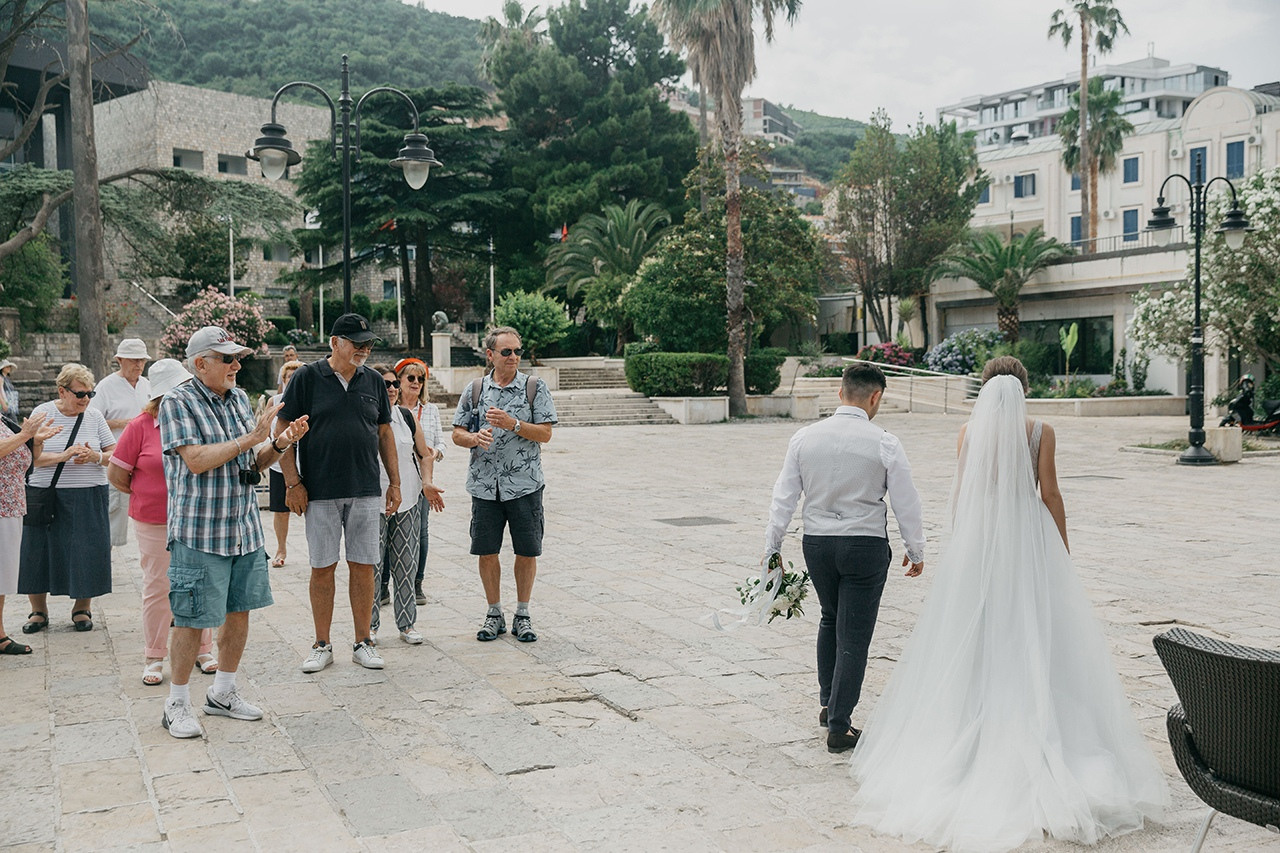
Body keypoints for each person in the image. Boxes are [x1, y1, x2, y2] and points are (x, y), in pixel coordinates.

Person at [849, 357, 1169, 851]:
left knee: (974, 631)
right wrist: (1061, 548)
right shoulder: (1041, 430)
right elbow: (1051, 494)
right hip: (1027, 540)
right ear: (1024, 389)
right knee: (1035, 627)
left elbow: (962, 495)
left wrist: (962, 543)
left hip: (980, 542)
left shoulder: (967, 434)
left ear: (984, 389)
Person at [763, 362, 926, 754]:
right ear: (876, 397)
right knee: (855, 633)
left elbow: (784, 495)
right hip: (864, 545)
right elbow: (907, 502)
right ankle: (840, 725)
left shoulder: (804, 439)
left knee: (830, 618)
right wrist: (915, 548)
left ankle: (827, 703)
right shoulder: (885, 442)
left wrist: (772, 547)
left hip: (817, 542)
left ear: (840, 393)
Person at [157, 326, 309, 739]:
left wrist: (277, 444)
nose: (237, 365)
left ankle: (223, 692)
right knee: (190, 621)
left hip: (243, 529)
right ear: (200, 363)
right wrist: (252, 438)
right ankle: (177, 703)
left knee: (239, 613)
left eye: (238, 357)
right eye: (228, 358)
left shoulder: (239, 399)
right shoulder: (177, 402)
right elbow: (196, 460)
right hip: (200, 532)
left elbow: (251, 465)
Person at [277, 313, 399, 673]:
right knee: (322, 567)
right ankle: (321, 643)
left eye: (368, 344)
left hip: (365, 489)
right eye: (356, 342)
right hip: (320, 491)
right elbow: (283, 430)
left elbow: (384, 433)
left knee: (364, 567)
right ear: (334, 343)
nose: (364, 349)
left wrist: (394, 481)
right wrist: (293, 483)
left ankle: (363, 640)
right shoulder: (306, 378)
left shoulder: (374, 381)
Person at [107, 359, 217, 686]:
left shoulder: (198, 421)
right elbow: (117, 474)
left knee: (200, 581)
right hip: (154, 519)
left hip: (197, 517)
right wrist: (147, 494)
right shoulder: (140, 426)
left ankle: (203, 648)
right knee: (158, 586)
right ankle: (154, 655)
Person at [451, 326, 557, 643]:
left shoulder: (534, 388)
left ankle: (522, 613)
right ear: (490, 355)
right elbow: (457, 433)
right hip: (485, 486)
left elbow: (546, 433)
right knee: (487, 551)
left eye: (517, 351)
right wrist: (474, 437)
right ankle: (493, 612)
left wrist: (514, 424)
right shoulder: (475, 389)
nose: (513, 357)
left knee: (526, 551)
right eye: (506, 352)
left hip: (524, 485)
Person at [19, 363, 118, 635]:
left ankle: (81, 608)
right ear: (62, 391)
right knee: (37, 552)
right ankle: (38, 611)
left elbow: (115, 453)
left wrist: (96, 457)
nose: (85, 399)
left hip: (88, 493)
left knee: (87, 551)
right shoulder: (42, 414)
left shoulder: (95, 417)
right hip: (46, 494)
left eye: (90, 394)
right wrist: (63, 456)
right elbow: (31, 459)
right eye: (80, 394)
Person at [370, 364, 444, 645]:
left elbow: (424, 454)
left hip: (409, 499)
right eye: (384, 384)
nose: (390, 388)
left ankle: (407, 624)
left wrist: (426, 482)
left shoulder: (405, 416)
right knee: (373, 567)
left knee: (406, 564)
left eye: (393, 384)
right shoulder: (363, 417)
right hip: (372, 501)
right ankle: (371, 626)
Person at [0, 398, 60, 655]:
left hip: (10, 505)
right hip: (3, 506)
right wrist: (26, 434)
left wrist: (34, 440)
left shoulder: (3, 420)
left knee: (2, 576)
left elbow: (28, 457)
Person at [390, 356, 445, 606]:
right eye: (410, 378)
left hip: (423, 478)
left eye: (420, 379)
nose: (416, 383)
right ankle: (383, 585)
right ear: (399, 381)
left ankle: (416, 582)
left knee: (420, 531)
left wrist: (435, 452)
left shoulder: (430, 410)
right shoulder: (389, 407)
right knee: (389, 531)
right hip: (395, 475)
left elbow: (441, 441)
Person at [92, 339, 152, 547]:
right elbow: (91, 420)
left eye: (142, 361)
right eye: (133, 360)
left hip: (144, 462)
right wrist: (123, 423)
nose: (138, 365)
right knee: (111, 518)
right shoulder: (106, 386)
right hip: (116, 459)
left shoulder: (147, 385)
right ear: (119, 360)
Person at [268, 360, 304, 568]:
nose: (293, 380)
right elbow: (264, 430)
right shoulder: (275, 401)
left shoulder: (311, 399)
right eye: (290, 377)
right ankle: (281, 548)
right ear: (283, 380)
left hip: (306, 461)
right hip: (279, 462)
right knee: (280, 509)